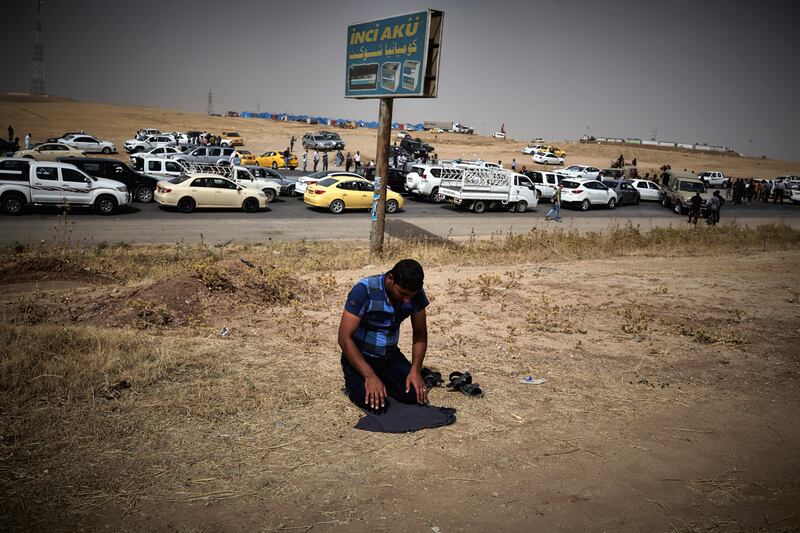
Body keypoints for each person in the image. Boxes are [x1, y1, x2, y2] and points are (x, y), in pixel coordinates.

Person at [338, 259, 430, 411]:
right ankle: (359, 379)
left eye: (410, 296)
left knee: (415, 395)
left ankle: (383, 380)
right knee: (371, 402)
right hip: (361, 355)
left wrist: (415, 370)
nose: (407, 299)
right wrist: (369, 376)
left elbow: (420, 334)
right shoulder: (364, 290)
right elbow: (344, 338)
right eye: (402, 293)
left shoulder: (416, 294)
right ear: (390, 278)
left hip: (389, 355)